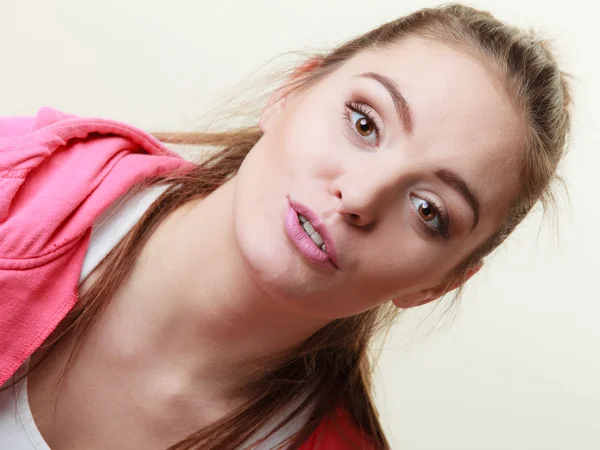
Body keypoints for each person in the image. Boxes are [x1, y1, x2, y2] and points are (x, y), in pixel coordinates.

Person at [0, 4, 571, 450]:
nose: (360, 196)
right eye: (364, 122)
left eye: (429, 211)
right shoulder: (18, 171)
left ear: (437, 284)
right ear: (290, 92)